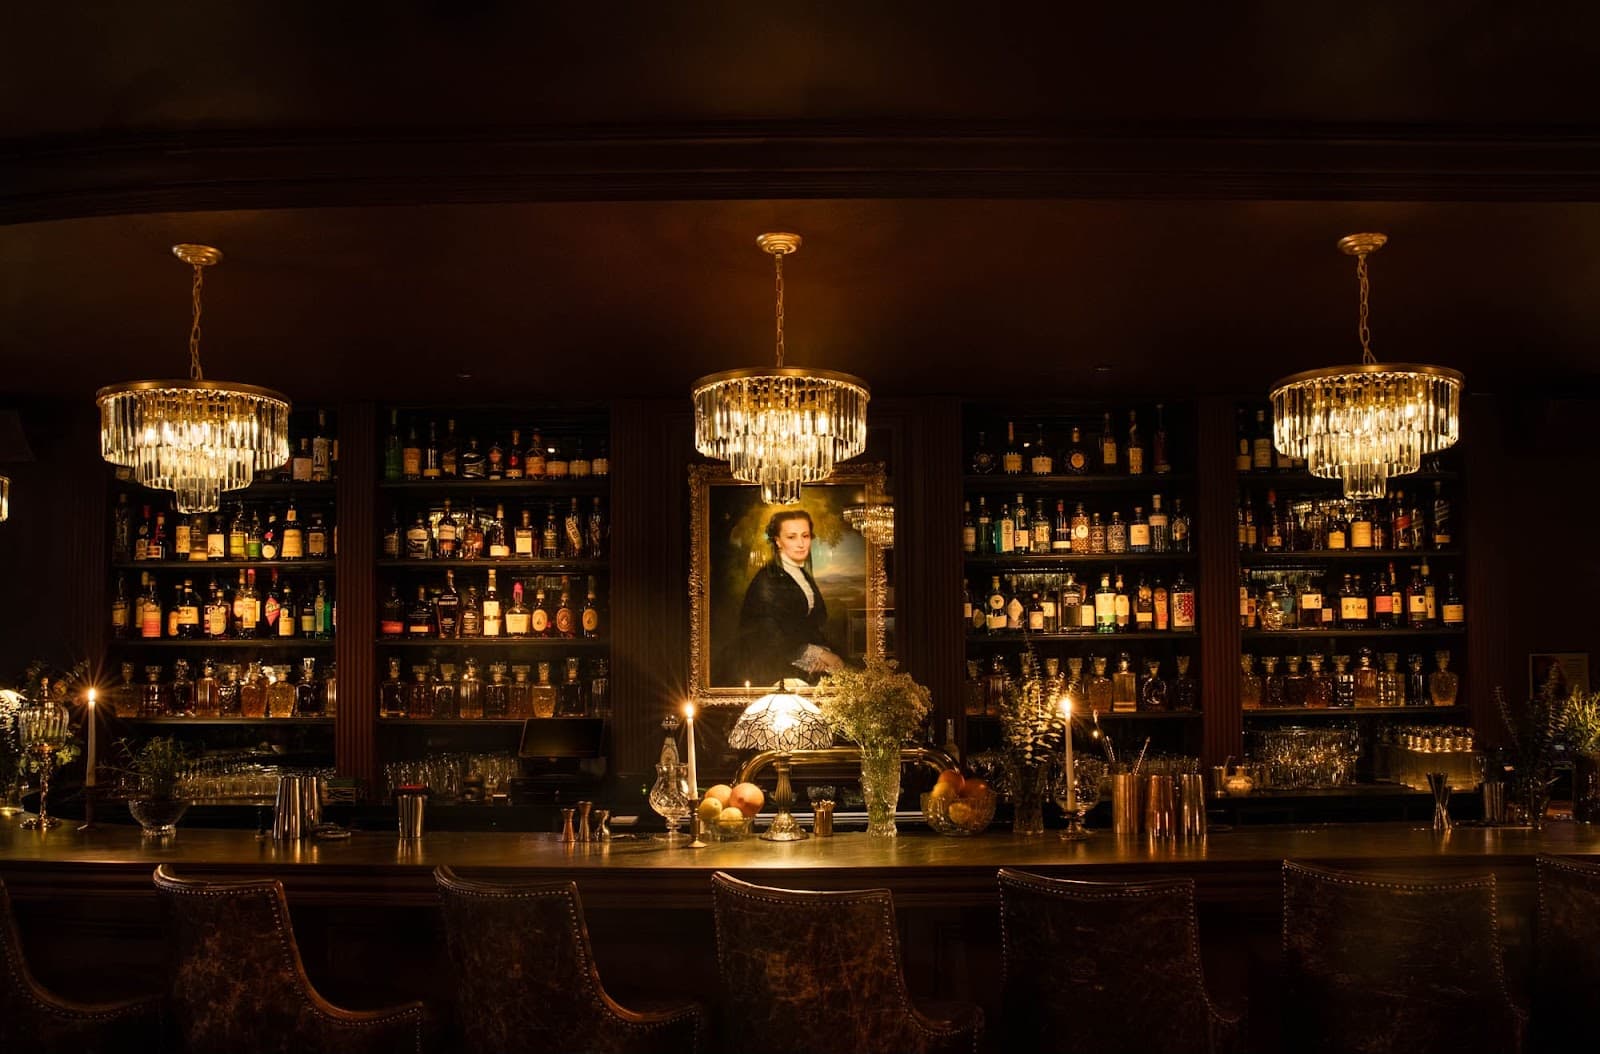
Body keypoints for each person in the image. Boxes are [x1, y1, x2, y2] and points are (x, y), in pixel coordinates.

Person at [736, 509, 844, 686]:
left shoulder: (801, 574)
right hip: (772, 668)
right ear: (778, 541)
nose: (801, 544)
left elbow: (811, 623)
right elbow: (767, 634)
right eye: (791, 537)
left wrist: (820, 653)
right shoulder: (767, 579)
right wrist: (815, 655)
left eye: (805, 536)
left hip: (800, 665)